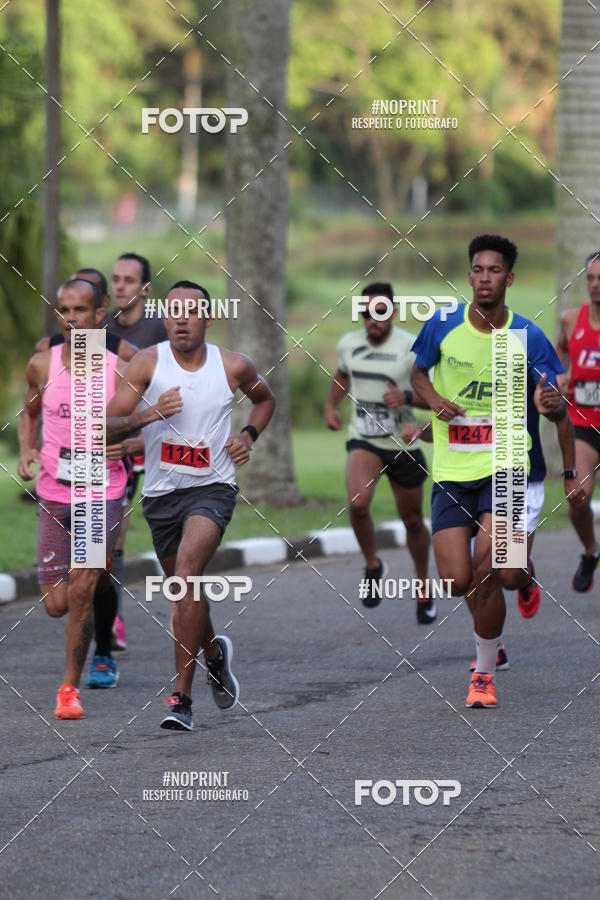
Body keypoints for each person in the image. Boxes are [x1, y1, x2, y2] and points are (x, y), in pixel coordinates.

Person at [410, 234, 584, 708]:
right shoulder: (442, 326)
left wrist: (568, 464)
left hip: (507, 467)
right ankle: (523, 573)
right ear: (470, 275)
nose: (485, 278)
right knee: (455, 578)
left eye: (494, 271)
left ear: (509, 278)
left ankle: (483, 675)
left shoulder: (528, 337)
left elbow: (555, 404)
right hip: (451, 470)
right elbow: (417, 373)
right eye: (477, 270)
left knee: (492, 570)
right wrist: (433, 401)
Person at [106, 280, 276, 731]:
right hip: (161, 495)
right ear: (164, 319)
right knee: (187, 590)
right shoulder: (147, 363)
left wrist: (247, 436)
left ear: (208, 317)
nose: (182, 318)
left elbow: (265, 400)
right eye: (174, 310)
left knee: (185, 577)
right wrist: (148, 414)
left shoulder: (234, 365)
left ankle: (181, 698)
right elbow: (104, 427)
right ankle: (215, 655)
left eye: (192, 310)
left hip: (213, 487)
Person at [17, 279, 128, 718]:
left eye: (80, 310)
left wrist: (131, 445)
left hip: (101, 491)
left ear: (100, 314)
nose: (70, 319)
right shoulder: (42, 365)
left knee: (80, 590)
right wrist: (27, 447)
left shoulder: (120, 368)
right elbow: (28, 411)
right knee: (56, 605)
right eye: (64, 310)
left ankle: (69, 689)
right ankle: (101, 586)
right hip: (53, 492)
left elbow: (144, 426)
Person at [324, 282, 434, 621]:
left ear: (394, 312)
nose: (374, 319)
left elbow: (433, 396)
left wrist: (405, 399)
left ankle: (422, 587)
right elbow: (343, 375)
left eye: (381, 311)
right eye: (367, 312)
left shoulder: (411, 348)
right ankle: (373, 565)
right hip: (365, 440)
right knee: (357, 505)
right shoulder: (349, 344)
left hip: (403, 442)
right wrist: (330, 405)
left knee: (413, 520)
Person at [103, 253, 167, 651]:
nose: (120, 286)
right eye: (115, 279)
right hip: (114, 441)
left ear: (145, 288)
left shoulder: (161, 330)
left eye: (129, 280)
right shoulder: (101, 327)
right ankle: (113, 620)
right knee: (113, 534)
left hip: (152, 441)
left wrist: (142, 435)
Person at [556, 251, 600, 591]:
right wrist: (561, 377)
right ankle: (590, 551)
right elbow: (558, 355)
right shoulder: (571, 320)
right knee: (577, 497)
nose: (596, 285)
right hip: (584, 425)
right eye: (591, 278)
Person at [35, 268, 137, 362]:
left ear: (104, 302)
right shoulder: (45, 349)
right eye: (73, 286)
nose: (77, 294)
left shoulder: (125, 353)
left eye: (80, 309)